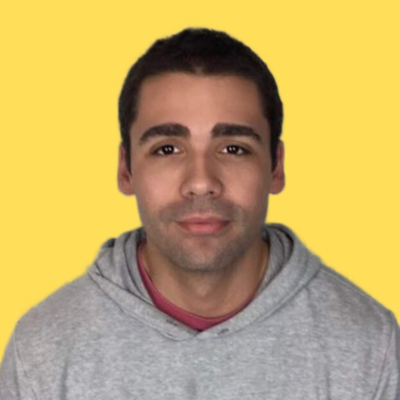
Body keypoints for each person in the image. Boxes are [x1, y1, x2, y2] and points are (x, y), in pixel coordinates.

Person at [1, 28, 399, 400]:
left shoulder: (371, 346)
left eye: (234, 148)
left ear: (275, 167)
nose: (202, 181)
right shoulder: (41, 351)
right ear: (126, 170)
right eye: (167, 149)